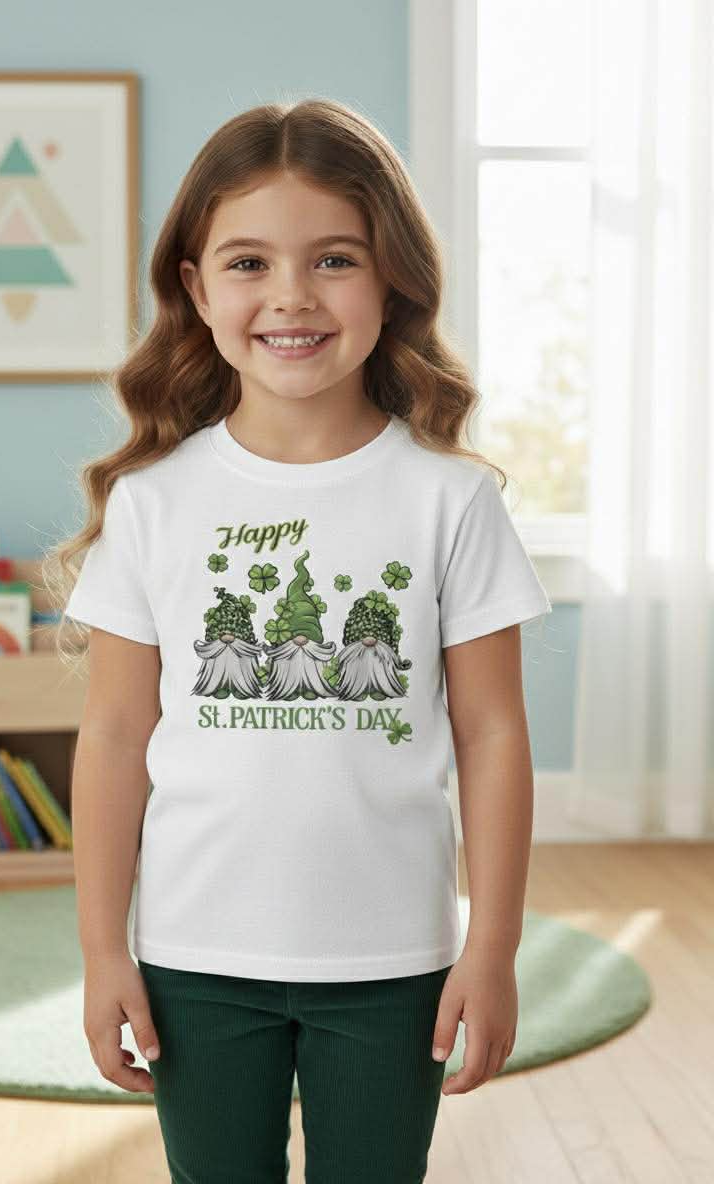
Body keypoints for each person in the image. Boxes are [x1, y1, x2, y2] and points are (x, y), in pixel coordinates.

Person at [45, 97, 552, 1183]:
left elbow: (493, 734)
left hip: (395, 962)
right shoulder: (153, 502)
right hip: (193, 959)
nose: (291, 296)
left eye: (334, 259)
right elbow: (117, 734)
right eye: (248, 263)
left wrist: (494, 946)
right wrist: (100, 949)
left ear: (391, 280)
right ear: (196, 289)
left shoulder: (451, 500)